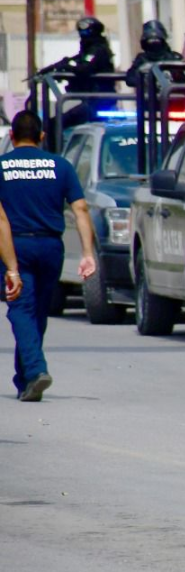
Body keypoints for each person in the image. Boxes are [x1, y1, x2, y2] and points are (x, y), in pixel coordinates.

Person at [0, 111, 95, 402]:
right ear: (42, 137)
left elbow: (1, 220)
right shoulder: (61, 166)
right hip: (51, 248)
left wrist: (11, 266)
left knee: (20, 310)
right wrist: (88, 253)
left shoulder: (2, 168)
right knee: (37, 312)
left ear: (11, 137)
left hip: (16, 246)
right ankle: (26, 379)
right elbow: (81, 210)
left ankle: (37, 369)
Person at [37, 17, 115, 137]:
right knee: (51, 124)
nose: (83, 35)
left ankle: (53, 153)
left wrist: (67, 67)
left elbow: (84, 69)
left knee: (53, 125)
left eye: (86, 32)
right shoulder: (87, 51)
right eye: (81, 32)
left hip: (99, 101)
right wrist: (59, 67)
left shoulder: (98, 50)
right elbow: (77, 63)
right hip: (91, 101)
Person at [125, 20, 185, 89]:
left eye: (157, 40)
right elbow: (130, 79)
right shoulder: (141, 59)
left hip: (173, 97)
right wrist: (146, 79)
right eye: (150, 41)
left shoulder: (174, 58)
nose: (154, 43)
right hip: (148, 97)